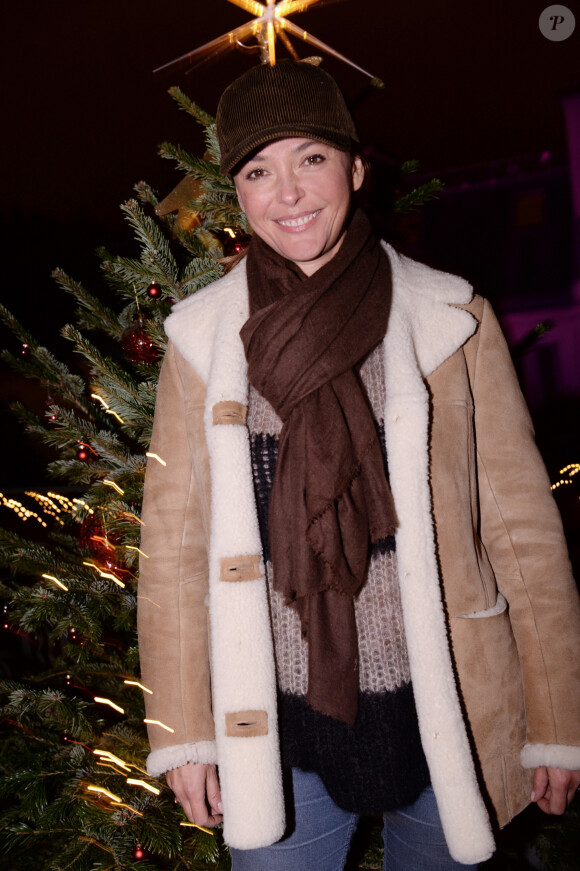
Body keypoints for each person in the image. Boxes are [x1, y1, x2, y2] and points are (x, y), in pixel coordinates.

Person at [137, 60, 580, 869]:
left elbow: (524, 530)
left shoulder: (451, 318)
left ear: (355, 167)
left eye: (310, 158)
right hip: (279, 726)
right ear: (238, 195)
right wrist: (183, 732)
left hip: (452, 707)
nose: (290, 192)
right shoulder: (199, 343)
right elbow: (171, 555)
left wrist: (557, 719)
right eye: (259, 171)